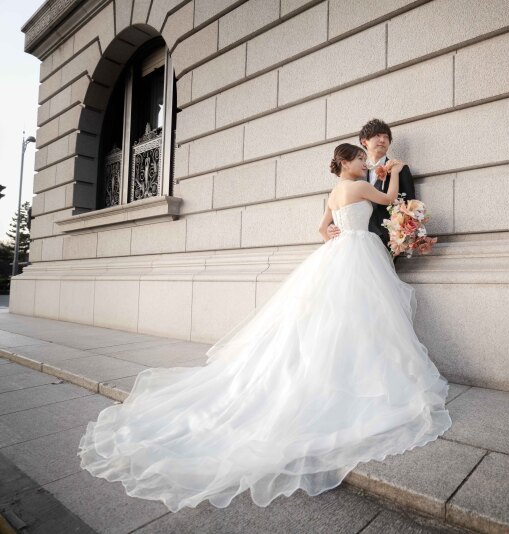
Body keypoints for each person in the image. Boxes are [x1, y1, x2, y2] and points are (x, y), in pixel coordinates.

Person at [77, 143, 452, 513]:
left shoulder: (335, 193)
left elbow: (322, 228)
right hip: (359, 253)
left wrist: (336, 240)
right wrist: (397, 172)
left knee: (333, 320)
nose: (362, 162)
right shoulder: (358, 187)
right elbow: (388, 199)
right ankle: (362, 376)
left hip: (336, 255)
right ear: (346, 163)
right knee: (362, 318)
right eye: (358, 158)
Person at [327, 119, 415, 257]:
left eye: (386, 137)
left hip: (387, 242)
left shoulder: (400, 169)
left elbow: (410, 205)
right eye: (377, 136)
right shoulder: (355, 173)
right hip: (355, 245)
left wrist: (401, 238)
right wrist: (331, 227)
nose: (382, 140)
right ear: (364, 141)